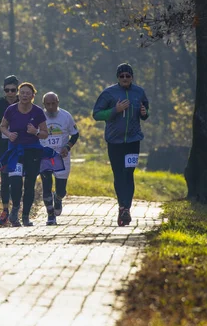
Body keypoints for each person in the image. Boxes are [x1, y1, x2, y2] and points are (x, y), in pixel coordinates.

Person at [92, 63, 149, 227]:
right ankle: (122, 205)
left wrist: (145, 114)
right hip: (114, 141)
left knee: (129, 173)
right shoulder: (108, 93)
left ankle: (126, 208)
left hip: (133, 140)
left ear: (132, 77)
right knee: (118, 174)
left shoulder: (139, 92)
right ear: (118, 77)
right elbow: (96, 114)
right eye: (122, 76)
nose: (125, 78)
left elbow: (145, 110)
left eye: (128, 76)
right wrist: (115, 110)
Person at [0, 82, 49, 227]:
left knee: (29, 183)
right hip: (15, 151)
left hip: (32, 151)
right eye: (22, 93)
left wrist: (36, 132)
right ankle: (15, 210)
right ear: (18, 95)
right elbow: (2, 126)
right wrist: (9, 134)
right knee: (15, 183)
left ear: (33, 96)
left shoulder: (38, 112)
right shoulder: (11, 109)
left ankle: (26, 215)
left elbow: (45, 134)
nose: (24, 95)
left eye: (28, 93)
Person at [40, 92, 79, 225]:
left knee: (61, 189)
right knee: (46, 186)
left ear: (58, 102)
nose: (51, 107)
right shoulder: (38, 116)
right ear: (44, 104)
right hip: (45, 156)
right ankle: (50, 215)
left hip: (61, 156)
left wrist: (67, 147)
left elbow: (75, 134)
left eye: (53, 104)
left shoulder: (66, 116)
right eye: (48, 104)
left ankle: (58, 198)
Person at [0, 75, 19, 226]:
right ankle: (5, 210)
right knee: (5, 178)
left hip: (19, 144)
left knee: (17, 178)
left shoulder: (23, 101)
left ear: (17, 90)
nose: (10, 93)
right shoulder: (0, 102)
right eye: (7, 90)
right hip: (3, 144)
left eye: (13, 90)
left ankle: (16, 210)